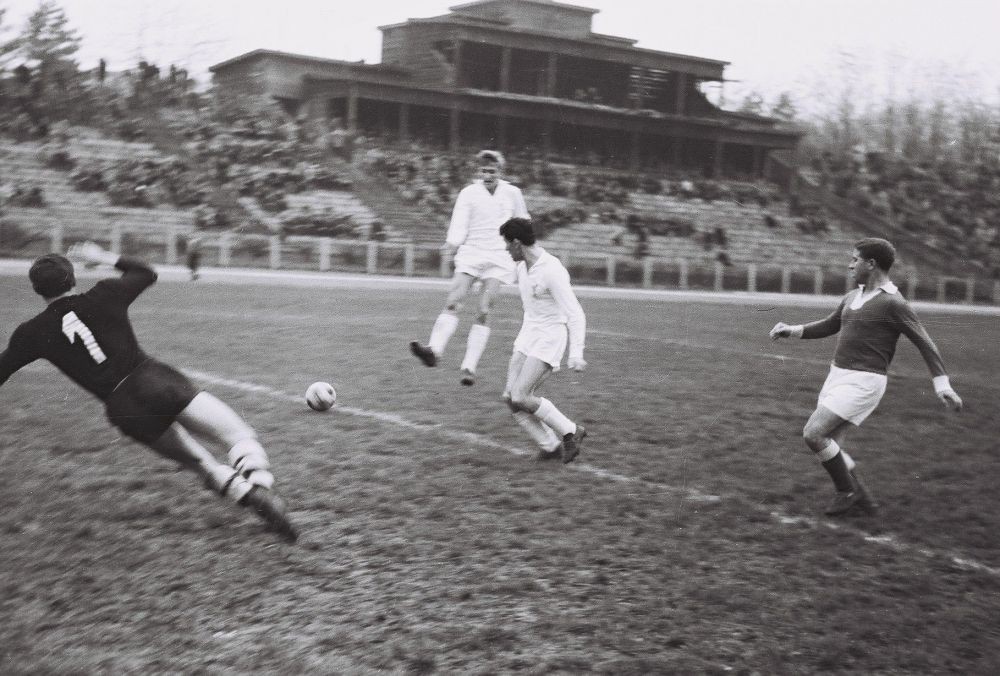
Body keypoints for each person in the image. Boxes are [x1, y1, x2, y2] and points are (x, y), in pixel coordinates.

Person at [0, 242, 298, 541]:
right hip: (154, 379)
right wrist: (102, 257)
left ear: (37, 289)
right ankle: (262, 487)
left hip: (122, 406)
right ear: (73, 279)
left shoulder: (31, 332)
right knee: (237, 435)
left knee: (200, 463)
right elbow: (146, 272)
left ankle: (251, 497)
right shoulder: (104, 294)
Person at [770, 238, 963, 517]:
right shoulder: (852, 297)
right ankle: (865, 500)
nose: (850, 265)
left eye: (854, 260)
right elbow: (830, 325)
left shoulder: (893, 303)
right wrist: (792, 330)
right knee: (832, 445)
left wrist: (942, 386)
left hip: (865, 382)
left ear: (871, 264)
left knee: (814, 434)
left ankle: (846, 492)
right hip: (837, 375)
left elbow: (925, 342)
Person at [410, 149, 529, 386]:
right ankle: (433, 351)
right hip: (471, 253)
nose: (488, 175)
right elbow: (459, 222)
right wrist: (452, 243)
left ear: (500, 171)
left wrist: (524, 247)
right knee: (453, 301)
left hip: (499, 257)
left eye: (492, 171)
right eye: (484, 171)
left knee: (484, 310)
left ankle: (469, 367)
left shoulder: (512, 193)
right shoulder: (468, 193)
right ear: (478, 171)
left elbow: (523, 221)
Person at [499, 217, 587, 463]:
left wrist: (576, 353)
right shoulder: (521, 267)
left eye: (507, 244)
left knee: (521, 396)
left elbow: (575, 313)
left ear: (517, 243)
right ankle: (550, 446)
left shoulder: (551, 269)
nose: (506, 249)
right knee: (510, 397)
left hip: (550, 336)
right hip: (528, 334)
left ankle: (571, 431)